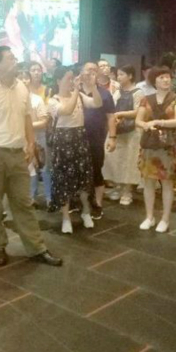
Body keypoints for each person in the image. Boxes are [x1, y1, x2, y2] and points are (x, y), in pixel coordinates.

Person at [0, 46, 62, 267]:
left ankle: (37, 248)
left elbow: (27, 118)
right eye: (10, 58)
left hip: (19, 154)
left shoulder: (22, 87)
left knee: (24, 203)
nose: (15, 60)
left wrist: (31, 143)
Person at [48, 65, 102, 233]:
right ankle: (66, 217)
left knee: (84, 178)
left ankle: (86, 211)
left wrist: (93, 86)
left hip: (79, 138)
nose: (72, 82)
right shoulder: (53, 100)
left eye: (73, 78)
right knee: (63, 179)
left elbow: (97, 103)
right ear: (58, 81)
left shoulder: (78, 95)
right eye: (68, 79)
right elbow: (67, 110)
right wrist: (78, 90)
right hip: (63, 141)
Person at [135, 66, 176, 233]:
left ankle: (165, 219)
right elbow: (138, 120)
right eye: (161, 77)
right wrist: (145, 125)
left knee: (167, 183)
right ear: (154, 81)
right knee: (148, 182)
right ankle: (149, 217)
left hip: (167, 147)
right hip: (149, 145)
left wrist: (159, 122)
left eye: (167, 77)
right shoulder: (146, 99)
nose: (166, 80)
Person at [79, 62, 116, 219]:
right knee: (78, 170)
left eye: (94, 70)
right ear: (81, 72)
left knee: (96, 170)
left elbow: (111, 117)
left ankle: (98, 204)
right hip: (75, 138)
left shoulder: (104, 93)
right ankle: (80, 203)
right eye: (88, 70)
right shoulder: (74, 91)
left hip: (96, 137)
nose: (91, 73)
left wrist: (112, 137)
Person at [102, 65, 143, 206]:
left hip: (132, 132)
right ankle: (117, 186)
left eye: (122, 74)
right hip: (117, 129)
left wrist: (120, 114)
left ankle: (127, 191)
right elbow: (111, 108)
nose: (118, 77)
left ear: (130, 76)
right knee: (114, 159)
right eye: (118, 75)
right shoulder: (117, 92)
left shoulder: (138, 92)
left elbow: (139, 111)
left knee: (129, 161)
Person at [17, 67, 50, 206]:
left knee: (45, 167)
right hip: (21, 139)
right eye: (20, 78)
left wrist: (27, 126)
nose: (24, 81)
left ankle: (49, 198)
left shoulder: (37, 99)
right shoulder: (14, 100)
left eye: (26, 78)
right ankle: (31, 197)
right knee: (29, 169)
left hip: (39, 138)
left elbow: (44, 121)